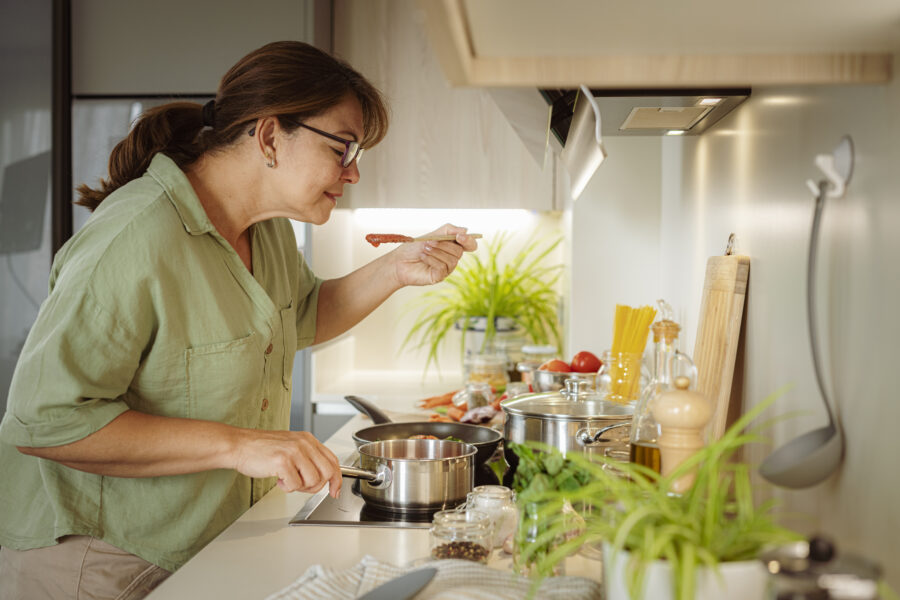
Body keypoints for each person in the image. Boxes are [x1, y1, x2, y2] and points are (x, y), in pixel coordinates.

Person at [0, 41, 477, 600]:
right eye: (343, 148)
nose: (351, 175)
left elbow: (299, 315)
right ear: (271, 136)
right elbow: (44, 422)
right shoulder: (134, 239)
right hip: (100, 561)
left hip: (202, 543)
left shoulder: (268, 227)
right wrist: (240, 445)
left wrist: (397, 268)